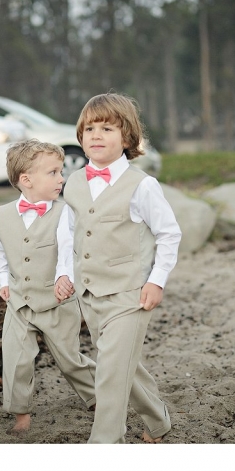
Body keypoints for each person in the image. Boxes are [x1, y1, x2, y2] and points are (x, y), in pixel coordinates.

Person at [63, 92, 182, 444]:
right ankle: (158, 420)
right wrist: (64, 275)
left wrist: (156, 281)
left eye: (107, 128)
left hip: (131, 293)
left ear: (127, 138)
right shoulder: (73, 183)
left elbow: (169, 234)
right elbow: (70, 235)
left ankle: (105, 441)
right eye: (89, 129)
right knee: (123, 365)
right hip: (89, 294)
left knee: (111, 374)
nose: (96, 135)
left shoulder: (142, 186)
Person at [0, 139, 96, 435]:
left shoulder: (64, 212)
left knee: (70, 359)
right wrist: (4, 280)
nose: (62, 178)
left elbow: (68, 249)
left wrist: (64, 277)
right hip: (20, 303)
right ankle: (21, 415)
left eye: (61, 172)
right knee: (16, 359)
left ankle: (100, 396)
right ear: (26, 180)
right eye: (53, 172)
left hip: (56, 302)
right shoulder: (3, 215)